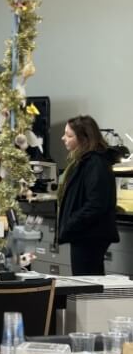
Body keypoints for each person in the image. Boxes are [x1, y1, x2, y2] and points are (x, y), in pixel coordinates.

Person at [57, 115, 120, 276]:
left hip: (89, 235)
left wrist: (71, 223)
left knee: (87, 281)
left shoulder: (95, 163)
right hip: (84, 233)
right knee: (86, 279)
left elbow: (96, 204)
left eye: (69, 135)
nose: (63, 138)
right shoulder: (83, 161)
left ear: (84, 138)